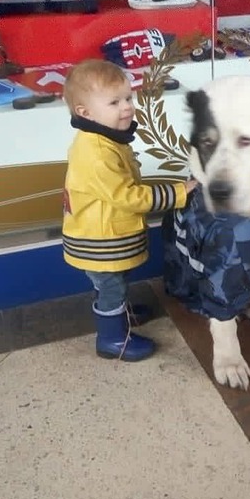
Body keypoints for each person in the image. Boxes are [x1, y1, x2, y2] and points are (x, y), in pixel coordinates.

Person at [62, 59, 196, 362]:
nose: (126, 107)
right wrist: (180, 192)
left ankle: (120, 314)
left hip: (105, 234)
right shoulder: (96, 153)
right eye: (114, 102)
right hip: (100, 242)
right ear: (85, 112)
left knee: (114, 282)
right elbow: (129, 197)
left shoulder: (104, 139)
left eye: (127, 98)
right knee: (111, 286)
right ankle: (112, 339)